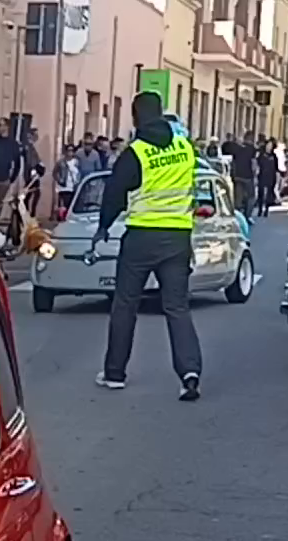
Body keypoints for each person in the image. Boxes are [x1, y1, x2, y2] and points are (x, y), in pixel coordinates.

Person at [95, 91, 202, 401]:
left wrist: (103, 226)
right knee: (177, 307)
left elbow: (115, 192)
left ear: (135, 116)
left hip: (141, 237)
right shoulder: (184, 148)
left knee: (125, 304)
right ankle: (190, 374)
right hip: (178, 236)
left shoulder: (136, 153)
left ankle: (115, 373)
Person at [226, 130, 258, 215]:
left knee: (238, 197)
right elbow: (253, 163)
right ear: (251, 139)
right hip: (248, 177)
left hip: (237, 176)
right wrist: (255, 176)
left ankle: (238, 214)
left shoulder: (237, 148)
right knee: (251, 197)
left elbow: (233, 162)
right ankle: (248, 215)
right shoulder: (252, 149)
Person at [53, 144, 81, 216]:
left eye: (72, 150)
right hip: (64, 187)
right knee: (66, 204)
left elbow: (79, 173)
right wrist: (60, 180)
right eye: (68, 150)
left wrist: (78, 182)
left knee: (72, 205)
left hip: (74, 186)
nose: (70, 152)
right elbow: (55, 173)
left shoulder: (77, 162)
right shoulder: (61, 162)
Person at [255, 138, 278, 217]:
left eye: (271, 146)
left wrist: (276, 178)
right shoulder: (261, 154)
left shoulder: (274, 156)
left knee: (269, 194)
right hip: (262, 176)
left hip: (271, 177)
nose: (269, 147)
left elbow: (276, 168)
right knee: (261, 193)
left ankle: (266, 210)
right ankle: (260, 209)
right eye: (268, 145)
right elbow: (257, 164)